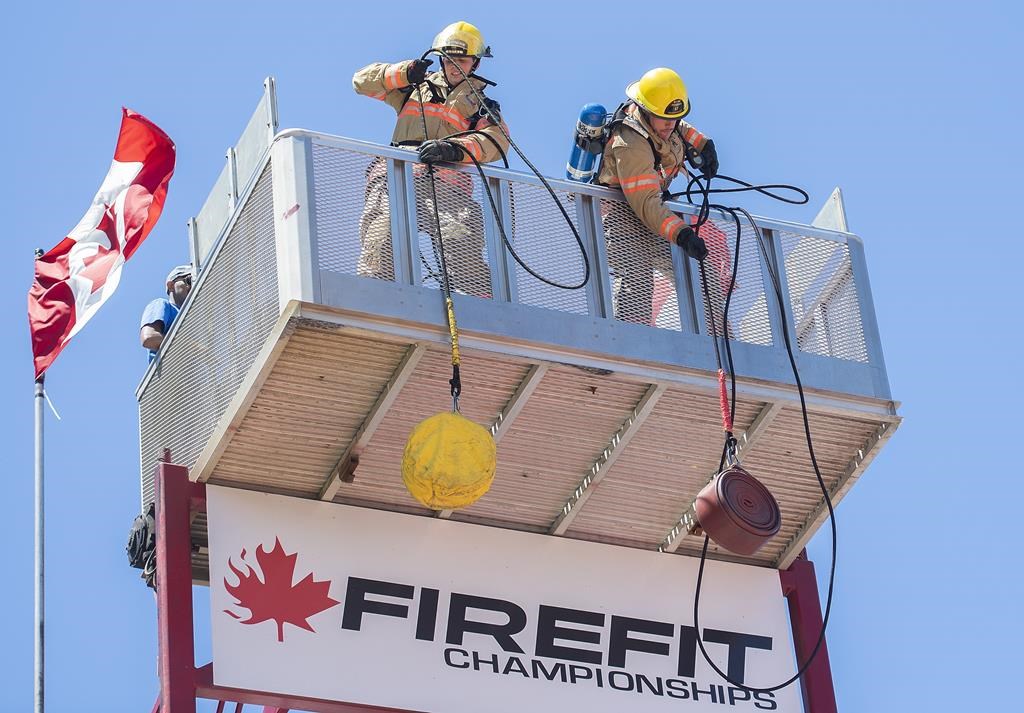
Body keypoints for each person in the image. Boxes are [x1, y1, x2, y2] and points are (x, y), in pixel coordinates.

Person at [352, 21, 510, 297]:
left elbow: (497, 143)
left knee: (461, 247)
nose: (454, 65)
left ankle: (475, 310)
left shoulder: (481, 105)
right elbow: (361, 82)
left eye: (461, 59)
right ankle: (376, 298)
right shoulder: (413, 88)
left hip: (449, 188)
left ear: (475, 63)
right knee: (382, 234)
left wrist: (455, 150)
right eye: (449, 59)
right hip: (397, 179)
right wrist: (403, 73)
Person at [596, 67, 724, 327]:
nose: (671, 125)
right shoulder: (630, 143)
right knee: (637, 280)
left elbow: (679, 126)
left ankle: (717, 343)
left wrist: (702, 144)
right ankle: (628, 346)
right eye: (664, 118)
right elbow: (646, 203)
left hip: (654, 211)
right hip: (621, 216)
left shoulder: (665, 120)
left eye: (675, 118)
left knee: (702, 275)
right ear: (645, 111)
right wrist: (683, 234)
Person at [140, 264, 192, 360]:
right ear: (171, 285)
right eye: (189, 280)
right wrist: (194, 347)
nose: (192, 286)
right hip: (167, 373)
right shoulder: (163, 305)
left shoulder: (190, 319)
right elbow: (149, 338)